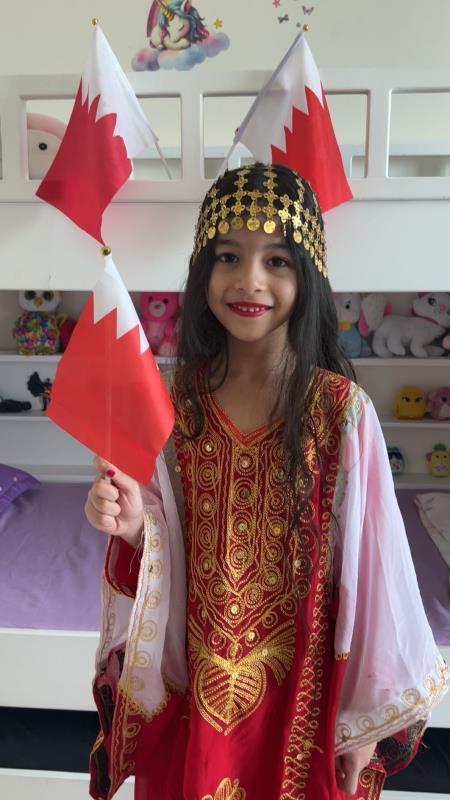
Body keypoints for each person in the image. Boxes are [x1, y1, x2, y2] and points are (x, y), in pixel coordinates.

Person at [85, 163, 448, 800]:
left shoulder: (342, 412)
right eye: (228, 256)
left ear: (308, 276)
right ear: (203, 270)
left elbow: (377, 569)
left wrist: (363, 717)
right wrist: (136, 525)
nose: (250, 280)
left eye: (277, 260)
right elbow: (166, 537)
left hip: (305, 696)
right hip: (195, 692)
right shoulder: (171, 401)